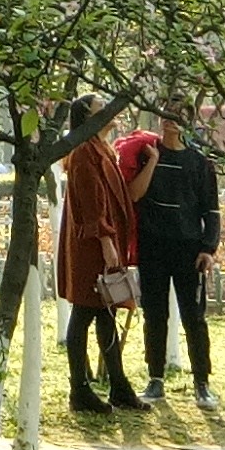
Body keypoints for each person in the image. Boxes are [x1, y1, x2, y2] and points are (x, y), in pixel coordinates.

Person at [55, 103, 144, 416]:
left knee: (106, 313)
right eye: (100, 110)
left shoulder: (100, 149)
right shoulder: (84, 152)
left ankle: (118, 386)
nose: (111, 114)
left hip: (103, 242)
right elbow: (92, 201)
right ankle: (79, 389)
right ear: (87, 118)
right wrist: (106, 241)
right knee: (84, 312)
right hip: (90, 245)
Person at [127, 118, 223, 409]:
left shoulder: (199, 163)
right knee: (154, 315)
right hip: (153, 247)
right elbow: (133, 194)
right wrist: (152, 162)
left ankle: (202, 383)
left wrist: (208, 248)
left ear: (188, 122)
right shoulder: (148, 155)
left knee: (194, 317)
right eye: (166, 113)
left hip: (189, 250)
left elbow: (212, 209)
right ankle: (155, 379)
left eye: (177, 115)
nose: (169, 120)